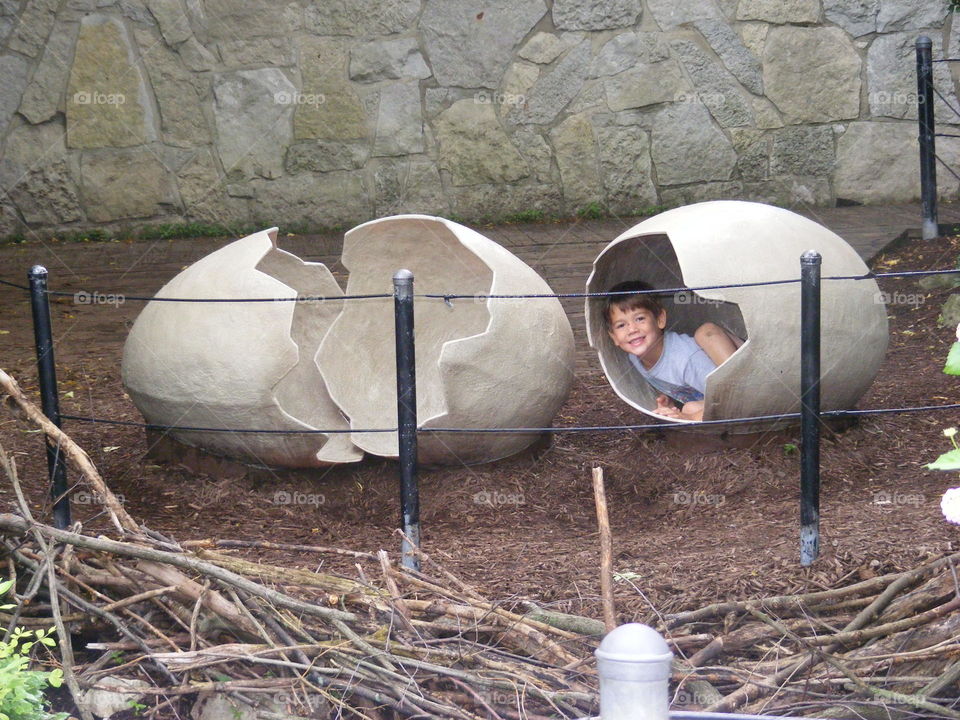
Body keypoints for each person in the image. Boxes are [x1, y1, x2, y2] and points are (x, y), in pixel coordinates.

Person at [603, 281, 741, 421]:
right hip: (716, 399)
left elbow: (735, 400)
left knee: (691, 408)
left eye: (639, 318)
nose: (632, 329)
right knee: (690, 407)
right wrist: (671, 404)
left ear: (660, 319)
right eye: (621, 325)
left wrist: (690, 417)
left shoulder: (687, 359)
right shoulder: (635, 358)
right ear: (614, 337)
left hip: (743, 393)